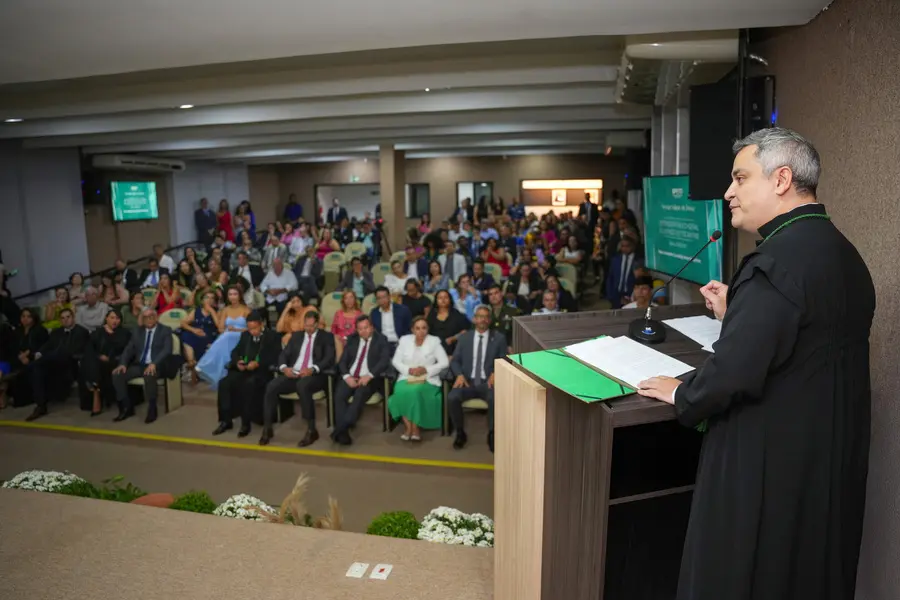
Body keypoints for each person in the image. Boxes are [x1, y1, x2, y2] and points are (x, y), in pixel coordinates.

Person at [637, 128, 875, 600]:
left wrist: (681, 392)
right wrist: (740, 312)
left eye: (740, 178)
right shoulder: (843, 252)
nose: (729, 192)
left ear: (781, 179)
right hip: (827, 459)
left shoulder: (773, 262)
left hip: (770, 465)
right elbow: (809, 338)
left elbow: (733, 375)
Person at [260, 311, 336, 447]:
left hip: (314, 376)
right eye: (306, 325)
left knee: (303, 385)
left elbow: (329, 359)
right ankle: (267, 427)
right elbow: (284, 354)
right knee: (271, 386)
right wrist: (284, 368)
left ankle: (311, 429)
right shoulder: (296, 336)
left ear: (317, 324)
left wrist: (313, 369)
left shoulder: (326, 337)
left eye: (312, 326)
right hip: (294, 373)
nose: (309, 329)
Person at [212, 311, 281, 438]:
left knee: (248, 385)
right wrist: (238, 361)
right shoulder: (245, 335)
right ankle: (226, 420)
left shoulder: (272, 336)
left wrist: (258, 363)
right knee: (224, 383)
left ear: (261, 325)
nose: (252, 331)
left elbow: (275, 356)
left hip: (262, 372)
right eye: (250, 328)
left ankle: (245, 423)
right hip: (245, 369)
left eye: (255, 328)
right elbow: (235, 352)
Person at [448, 305, 505, 452]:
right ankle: (460, 432)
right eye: (480, 316)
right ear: (474, 319)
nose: (483, 320)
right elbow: (455, 361)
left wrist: (496, 372)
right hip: (467, 381)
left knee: (495, 399)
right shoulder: (465, 338)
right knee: (452, 397)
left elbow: (504, 360)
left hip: (488, 383)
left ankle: (492, 433)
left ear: (490, 320)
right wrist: (459, 375)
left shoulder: (499, 338)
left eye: (486, 317)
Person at [330, 315, 391, 446]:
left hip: (368, 379)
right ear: (356, 330)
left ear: (372, 327)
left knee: (359, 395)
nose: (363, 331)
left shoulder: (381, 340)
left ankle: (341, 428)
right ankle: (343, 432)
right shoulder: (352, 340)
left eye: (366, 327)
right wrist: (347, 376)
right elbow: (343, 361)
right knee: (339, 396)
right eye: (360, 329)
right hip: (351, 376)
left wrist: (369, 375)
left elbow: (384, 361)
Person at [388, 316, 449, 442]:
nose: (421, 331)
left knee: (414, 392)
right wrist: (409, 370)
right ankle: (408, 427)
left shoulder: (434, 341)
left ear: (428, 329)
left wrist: (426, 369)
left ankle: (415, 428)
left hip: (427, 379)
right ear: (412, 330)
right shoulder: (404, 340)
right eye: (417, 328)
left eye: (424, 328)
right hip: (406, 377)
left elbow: (444, 362)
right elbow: (395, 361)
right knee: (400, 392)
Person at [25, 308, 89, 421]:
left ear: (73, 318)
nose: (65, 320)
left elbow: (78, 350)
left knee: (57, 353)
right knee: (37, 369)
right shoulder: (56, 332)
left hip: (71, 363)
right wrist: (39, 353)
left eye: (68, 317)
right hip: (54, 364)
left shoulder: (82, 331)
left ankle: (36, 363)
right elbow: (47, 345)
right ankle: (41, 406)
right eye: (62, 318)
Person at [111, 308, 173, 424]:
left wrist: (154, 363)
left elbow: (167, 350)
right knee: (118, 375)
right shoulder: (137, 331)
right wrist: (123, 364)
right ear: (142, 319)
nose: (149, 319)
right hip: (140, 365)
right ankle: (127, 407)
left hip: (157, 365)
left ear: (156, 318)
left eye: (151, 317)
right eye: (146, 317)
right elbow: (129, 349)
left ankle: (152, 408)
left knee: (149, 375)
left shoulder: (165, 330)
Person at [194, 286, 250, 389]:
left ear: (240, 296)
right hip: (228, 335)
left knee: (226, 336)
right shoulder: (225, 310)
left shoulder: (246, 310)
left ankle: (205, 363)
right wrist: (228, 329)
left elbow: (252, 328)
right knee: (225, 335)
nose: (232, 297)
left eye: (235, 294)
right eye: (230, 294)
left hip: (243, 335)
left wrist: (236, 330)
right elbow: (220, 328)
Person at [80, 308, 130, 415]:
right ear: (106, 319)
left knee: (96, 366)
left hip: (116, 361)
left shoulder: (124, 333)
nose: (115, 321)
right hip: (98, 360)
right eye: (112, 318)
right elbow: (90, 347)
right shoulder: (98, 332)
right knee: (89, 360)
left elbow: (125, 350)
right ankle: (95, 387)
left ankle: (95, 389)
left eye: (117, 318)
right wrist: (99, 356)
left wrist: (110, 357)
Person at [7, 308, 49, 408]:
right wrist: (20, 356)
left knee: (27, 369)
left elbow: (42, 347)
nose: (25, 319)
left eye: (28, 316)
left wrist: (28, 355)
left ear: (34, 318)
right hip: (19, 358)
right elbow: (12, 347)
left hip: (35, 358)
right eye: (23, 316)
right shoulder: (17, 331)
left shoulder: (40, 330)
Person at [179, 290, 220, 380]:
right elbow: (183, 323)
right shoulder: (196, 311)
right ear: (202, 300)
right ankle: (191, 362)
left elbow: (219, 326)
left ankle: (193, 366)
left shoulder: (218, 312)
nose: (209, 300)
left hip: (208, 337)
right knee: (185, 335)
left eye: (212, 298)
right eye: (207, 297)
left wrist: (212, 311)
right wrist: (194, 330)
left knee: (192, 338)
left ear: (215, 301)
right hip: (194, 334)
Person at [426, 289, 469, 355]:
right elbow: (427, 332)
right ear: (436, 300)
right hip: (434, 348)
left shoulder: (456, 314)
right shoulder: (432, 315)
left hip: (453, 349)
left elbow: (465, 330)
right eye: (440, 298)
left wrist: (454, 338)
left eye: (445, 297)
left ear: (450, 299)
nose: (443, 300)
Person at [369, 286, 412, 352]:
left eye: (384, 297)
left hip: (400, 343)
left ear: (389, 297)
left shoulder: (403, 310)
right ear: (376, 300)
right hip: (383, 345)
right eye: (379, 298)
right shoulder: (374, 313)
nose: (382, 300)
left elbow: (410, 329)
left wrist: (404, 342)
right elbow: (374, 332)